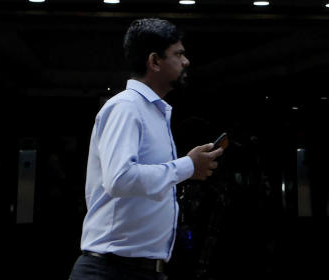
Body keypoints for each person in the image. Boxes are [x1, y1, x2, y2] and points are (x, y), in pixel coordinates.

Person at [68, 17, 222, 280]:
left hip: (138, 268)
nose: (186, 62)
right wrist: (187, 166)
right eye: (179, 54)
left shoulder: (153, 111)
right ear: (154, 61)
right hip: (111, 270)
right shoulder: (127, 107)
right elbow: (120, 179)